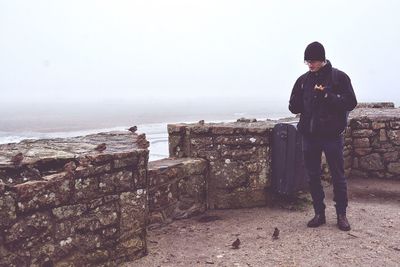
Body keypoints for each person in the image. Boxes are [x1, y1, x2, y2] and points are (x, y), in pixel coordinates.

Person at [288, 41, 357, 231]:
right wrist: (300, 100)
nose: (310, 65)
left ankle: (341, 215)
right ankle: (319, 213)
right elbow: (293, 106)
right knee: (312, 176)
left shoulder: (339, 78)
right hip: (309, 136)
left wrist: (327, 95)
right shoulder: (303, 80)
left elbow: (351, 102)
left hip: (332, 135)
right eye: (307, 61)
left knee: (338, 176)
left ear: (322, 59)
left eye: (313, 61)